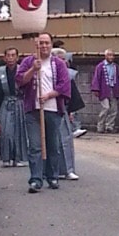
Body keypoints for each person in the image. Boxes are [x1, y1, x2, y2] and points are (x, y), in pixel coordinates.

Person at [17, 33, 72, 192]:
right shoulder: (28, 61)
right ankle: (36, 179)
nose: (44, 46)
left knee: (52, 145)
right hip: (33, 110)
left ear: (51, 44)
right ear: (37, 45)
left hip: (53, 109)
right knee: (35, 145)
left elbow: (64, 85)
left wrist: (49, 95)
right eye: (41, 43)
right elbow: (20, 80)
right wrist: (33, 69)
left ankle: (52, 176)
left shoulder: (59, 64)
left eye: (47, 43)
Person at [0, 47, 29, 167]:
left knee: (20, 131)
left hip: (20, 103)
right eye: (8, 55)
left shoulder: (23, 71)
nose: (10, 58)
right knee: (6, 132)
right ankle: (6, 157)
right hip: (5, 103)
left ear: (17, 57)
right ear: (4, 57)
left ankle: (19, 158)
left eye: (13, 55)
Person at [52, 47, 83, 180]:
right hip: (48, 109)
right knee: (50, 141)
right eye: (60, 59)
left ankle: (67, 169)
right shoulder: (45, 73)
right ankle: (51, 170)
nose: (63, 62)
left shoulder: (68, 75)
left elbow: (72, 95)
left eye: (64, 59)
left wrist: (71, 111)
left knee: (65, 140)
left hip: (62, 109)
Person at [90, 49, 119, 133]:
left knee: (114, 109)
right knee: (106, 107)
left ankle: (110, 126)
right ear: (105, 56)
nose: (111, 57)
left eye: (112, 55)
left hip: (114, 88)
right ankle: (100, 126)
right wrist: (96, 89)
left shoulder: (115, 66)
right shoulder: (100, 66)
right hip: (104, 90)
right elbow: (96, 78)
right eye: (109, 55)